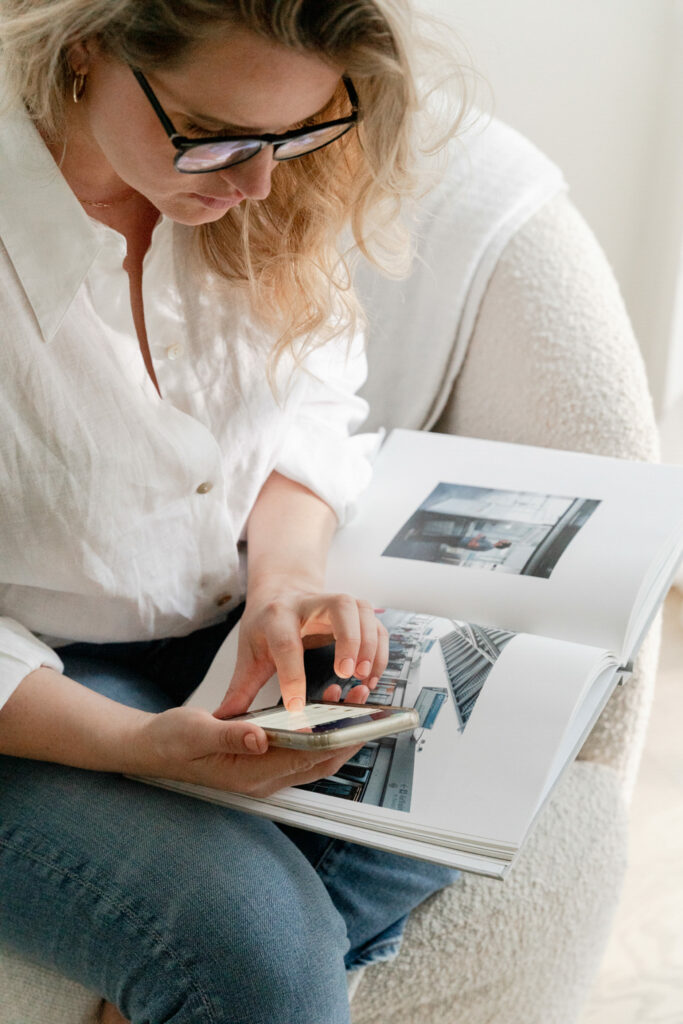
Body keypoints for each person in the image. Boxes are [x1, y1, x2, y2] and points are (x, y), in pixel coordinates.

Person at [0, 2, 468, 1022]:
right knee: (260, 957)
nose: (258, 181)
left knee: (461, 788)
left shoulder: (258, 195)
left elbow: (304, 408)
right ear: (88, 46)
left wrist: (286, 577)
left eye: (295, 133)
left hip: (210, 634)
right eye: (216, 135)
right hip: (27, 693)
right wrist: (127, 748)